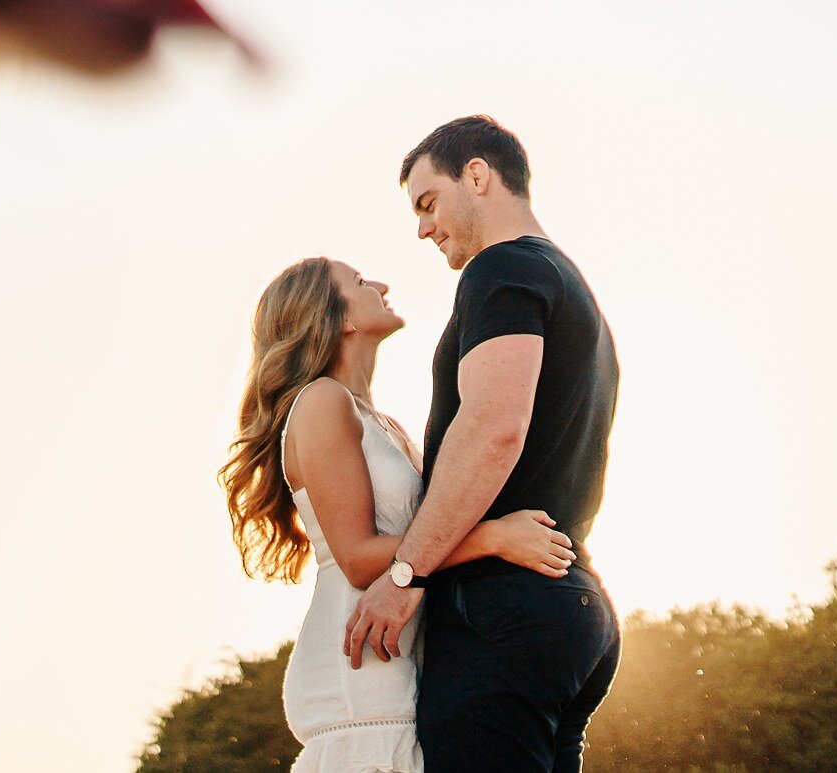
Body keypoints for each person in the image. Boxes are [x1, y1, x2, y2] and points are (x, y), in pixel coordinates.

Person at [222, 255, 579, 772]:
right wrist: (494, 538)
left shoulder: (383, 422)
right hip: (359, 670)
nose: (382, 284)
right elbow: (360, 560)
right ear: (338, 318)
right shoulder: (322, 401)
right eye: (361, 282)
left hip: (399, 664)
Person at [344, 116, 622, 772]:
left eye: (428, 202)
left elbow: (494, 427)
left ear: (478, 174)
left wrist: (407, 570)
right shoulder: (573, 288)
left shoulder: (503, 267)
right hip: (570, 604)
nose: (422, 227)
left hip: (505, 613)